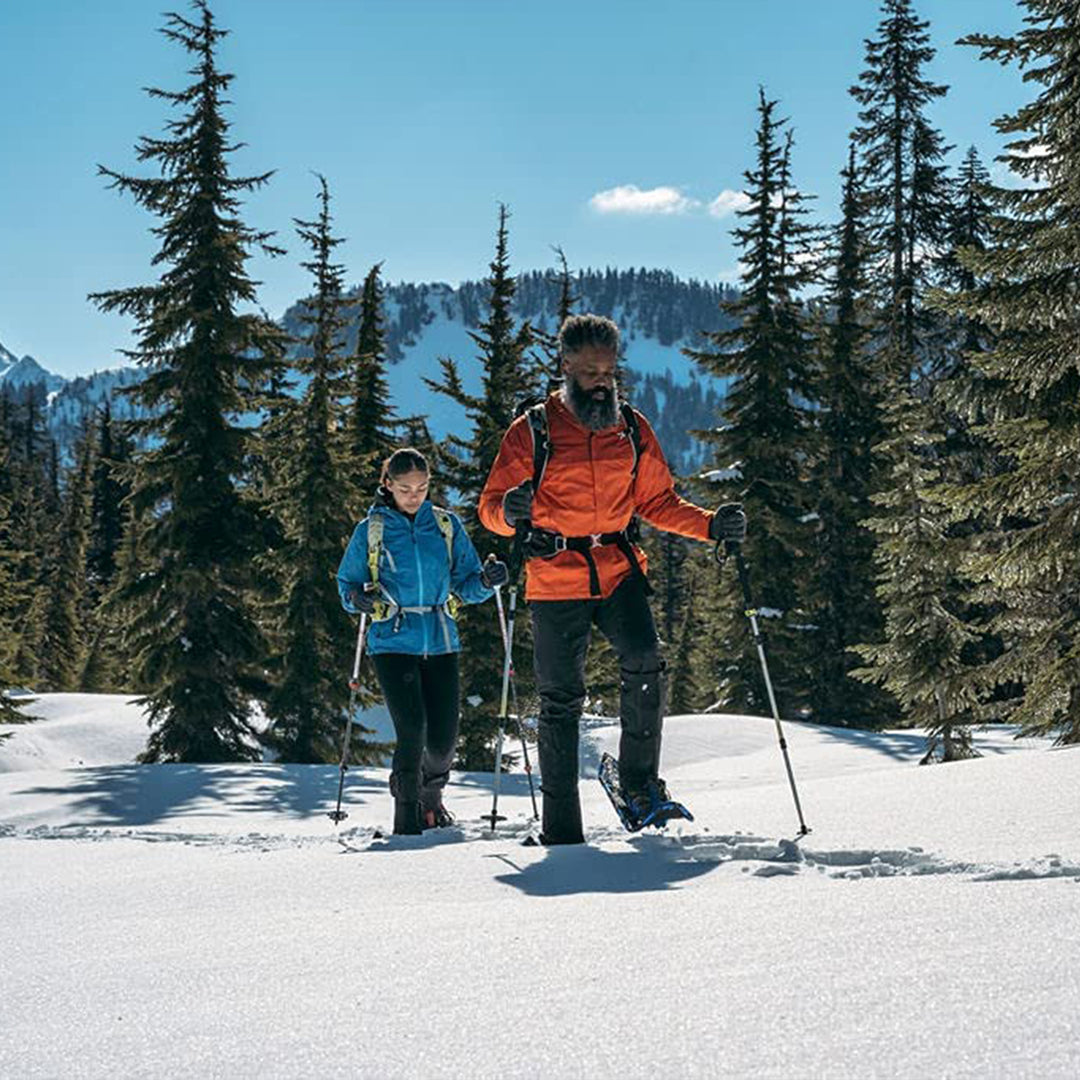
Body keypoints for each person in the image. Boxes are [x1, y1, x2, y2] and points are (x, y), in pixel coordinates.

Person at [478, 313, 746, 845]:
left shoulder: (632, 428)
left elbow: (657, 502)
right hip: (555, 578)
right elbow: (489, 508)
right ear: (566, 367)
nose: (602, 381)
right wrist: (509, 513)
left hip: (618, 571)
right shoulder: (533, 430)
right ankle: (561, 829)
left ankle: (640, 788)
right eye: (590, 371)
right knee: (560, 700)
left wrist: (711, 526)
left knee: (646, 660)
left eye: (609, 371)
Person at [337, 447, 508, 835]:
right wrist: (356, 599)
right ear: (388, 486)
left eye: (422, 488)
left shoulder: (445, 527)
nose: (414, 496)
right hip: (393, 641)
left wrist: (485, 580)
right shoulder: (372, 531)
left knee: (444, 740)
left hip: (442, 638)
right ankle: (407, 818)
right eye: (405, 489)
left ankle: (432, 798)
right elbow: (346, 583)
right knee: (412, 729)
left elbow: (465, 582)